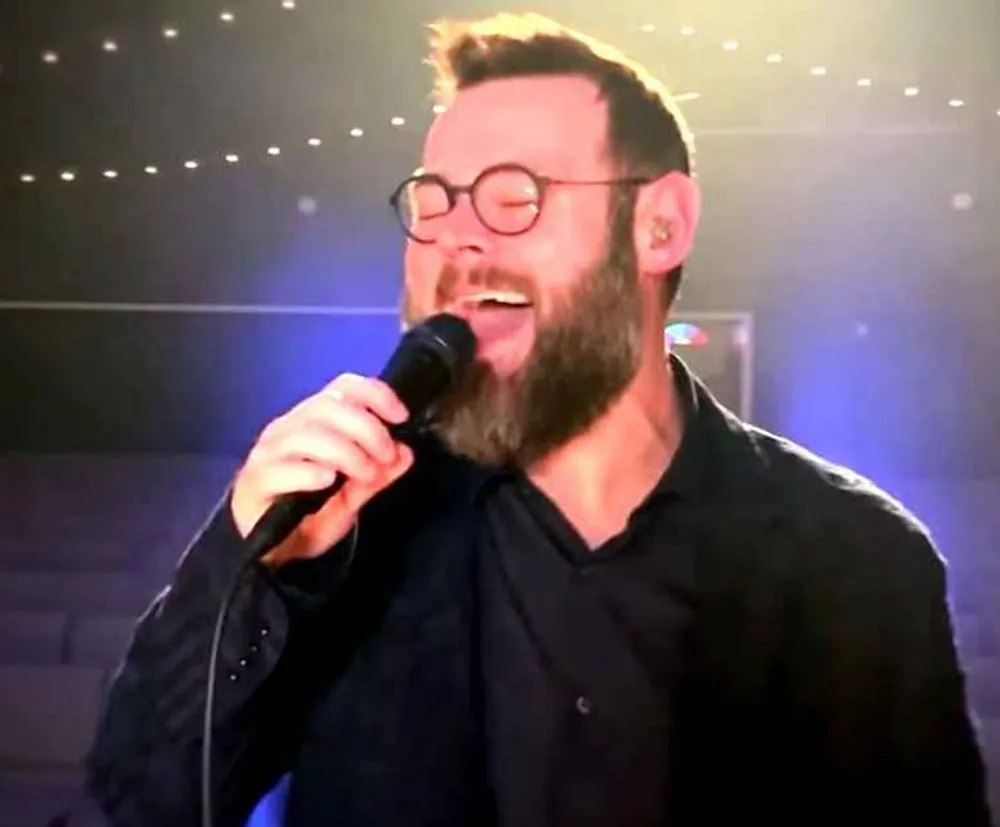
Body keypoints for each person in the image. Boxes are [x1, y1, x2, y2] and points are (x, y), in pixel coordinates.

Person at [85, 12, 994, 827]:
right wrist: (256, 572)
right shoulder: (348, 532)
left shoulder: (861, 562)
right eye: (433, 199)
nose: (457, 236)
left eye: (514, 193)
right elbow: (139, 796)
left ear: (661, 226)